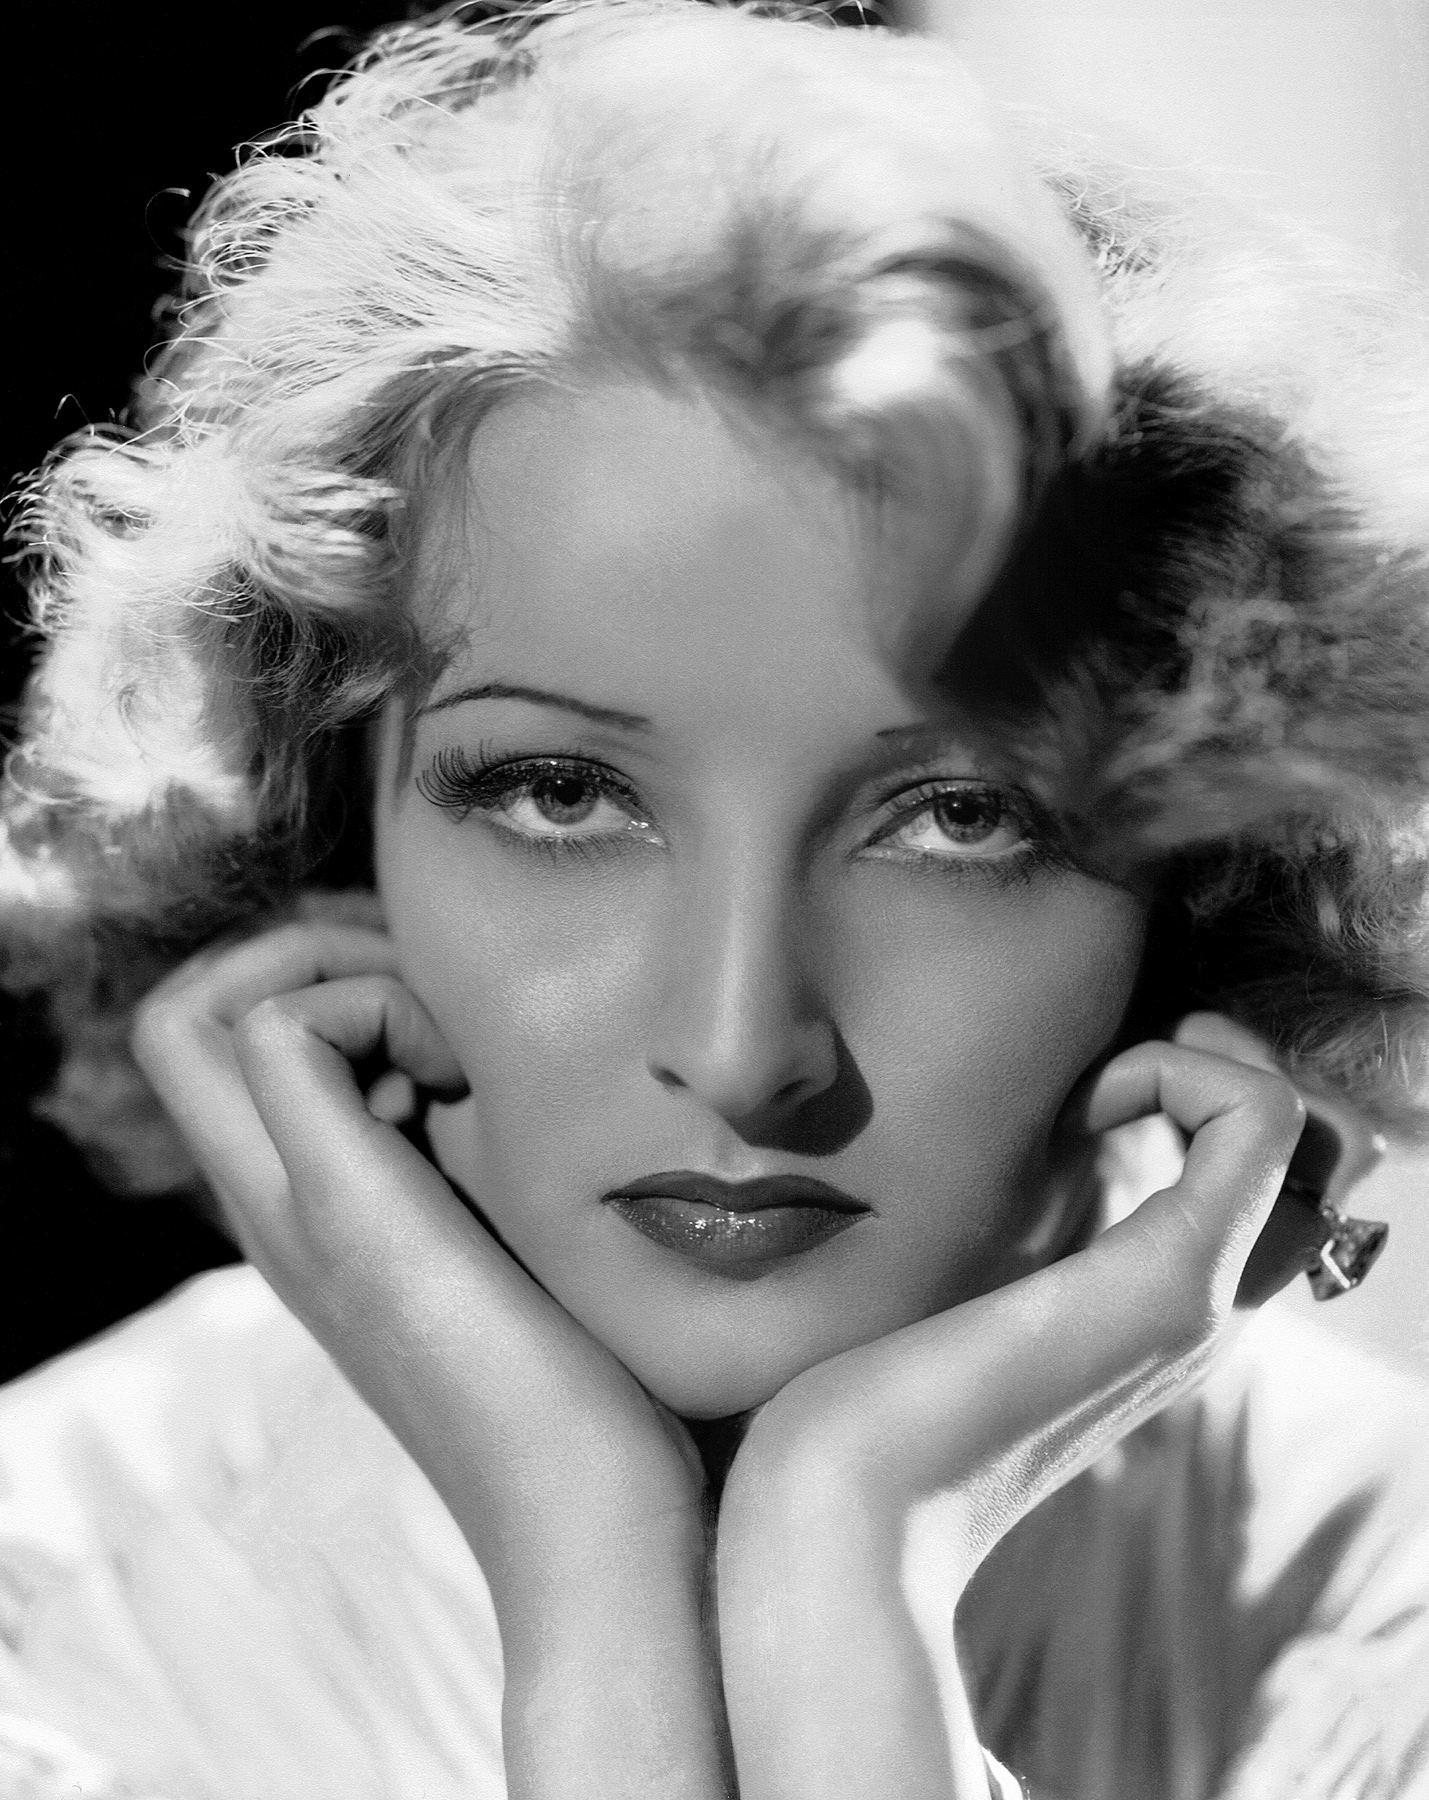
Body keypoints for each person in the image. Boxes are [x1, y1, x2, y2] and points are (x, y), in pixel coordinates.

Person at [1, 2, 1427, 1795]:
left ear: (1212, 884)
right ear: (335, 841)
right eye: (563, 794)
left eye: (959, 818)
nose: (744, 1049)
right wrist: (590, 1548)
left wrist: (848, 1557)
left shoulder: (1384, 1626)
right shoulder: (47, 1628)